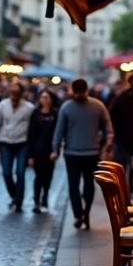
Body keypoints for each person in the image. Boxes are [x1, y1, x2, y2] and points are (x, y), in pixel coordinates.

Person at [53, 79, 112, 229]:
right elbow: (59, 131)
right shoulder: (96, 105)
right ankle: (81, 214)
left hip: (85, 153)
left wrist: (107, 143)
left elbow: (108, 127)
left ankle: (82, 214)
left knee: (82, 185)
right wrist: (55, 148)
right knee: (79, 185)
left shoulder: (70, 107)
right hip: (80, 153)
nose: (79, 95)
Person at [0, 81, 34, 213]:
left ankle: (18, 202)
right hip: (5, 142)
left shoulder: (29, 108)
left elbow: (33, 127)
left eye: (16, 94)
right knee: (6, 173)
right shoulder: (3, 105)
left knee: (20, 173)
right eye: (12, 93)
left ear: (21, 94)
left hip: (22, 144)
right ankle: (15, 196)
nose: (14, 97)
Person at [26, 89, 59, 214]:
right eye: (42, 97)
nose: (44, 100)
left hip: (50, 151)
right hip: (37, 150)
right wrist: (30, 155)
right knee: (38, 177)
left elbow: (58, 133)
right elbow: (30, 134)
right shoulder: (35, 113)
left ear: (51, 99)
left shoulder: (56, 114)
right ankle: (36, 201)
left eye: (47, 97)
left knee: (48, 177)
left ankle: (45, 197)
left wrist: (56, 151)